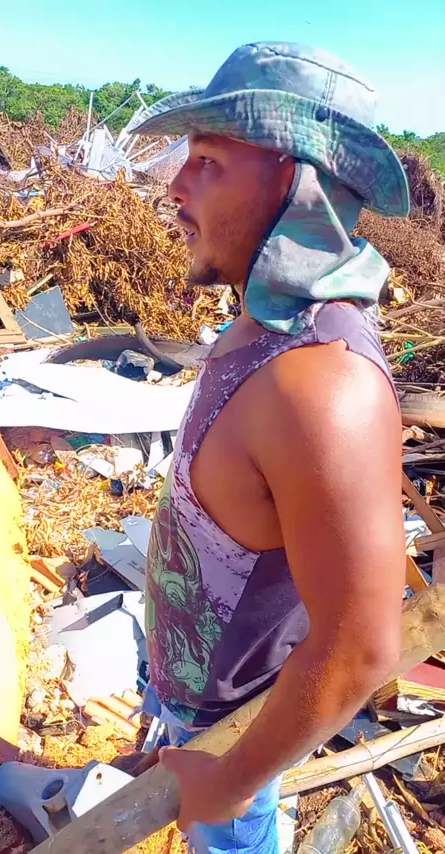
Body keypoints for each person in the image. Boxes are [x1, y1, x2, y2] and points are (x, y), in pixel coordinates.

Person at [130, 42, 408, 854]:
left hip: (234, 734)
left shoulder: (324, 386)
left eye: (208, 161)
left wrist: (228, 781)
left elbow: (360, 648)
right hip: (193, 700)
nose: (176, 185)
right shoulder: (262, 322)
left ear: (297, 182)